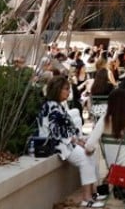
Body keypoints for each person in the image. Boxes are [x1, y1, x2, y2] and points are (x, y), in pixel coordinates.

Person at [38, 75, 103, 208]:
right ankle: (86, 198)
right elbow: (55, 132)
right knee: (85, 157)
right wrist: (76, 141)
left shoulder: (57, 105)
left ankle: (93, 192)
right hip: (56, 144)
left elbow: (68, 128)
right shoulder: (51, 107)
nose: (69, 92)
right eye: (66, 89)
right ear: (57, 90)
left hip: (65, 142)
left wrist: (79, 140)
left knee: (90, 152)